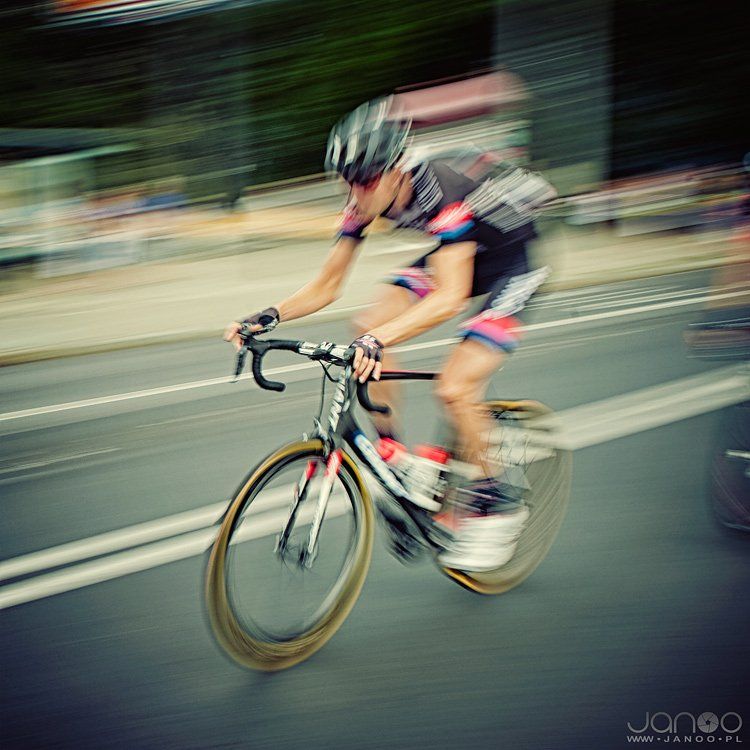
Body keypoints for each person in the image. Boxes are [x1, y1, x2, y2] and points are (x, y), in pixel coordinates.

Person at [224, 97, 557, 571]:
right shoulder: (363, 201)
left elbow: (450, 296)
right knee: (366, 323)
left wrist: (379, 342)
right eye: (347, 181)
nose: (356, 193)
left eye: (365, 180)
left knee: (455, 387)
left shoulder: (438, 188)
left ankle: (499, 504)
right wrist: (269, 316)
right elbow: (328, 285)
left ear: (396, 169)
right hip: (459, 252)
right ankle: (396, 457)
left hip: (514, 263)